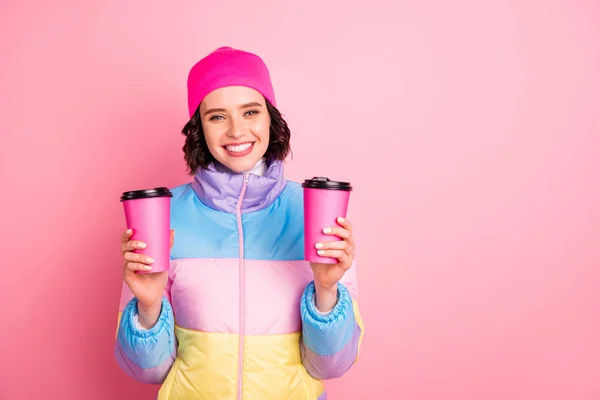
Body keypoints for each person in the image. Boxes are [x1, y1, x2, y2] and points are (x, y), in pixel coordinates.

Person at [114, 46, 365, 400]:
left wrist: (326, 291)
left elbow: (331, 366)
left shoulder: (315, 210)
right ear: (199, 127)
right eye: (217, 116)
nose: (236, 130)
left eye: (250, 111)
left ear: (270, 119)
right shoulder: (161, 214)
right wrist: (149, 306)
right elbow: (148, 372)